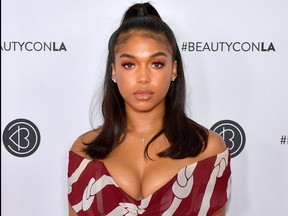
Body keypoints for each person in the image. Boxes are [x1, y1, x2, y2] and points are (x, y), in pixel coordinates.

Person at [67, 2, 231, 216]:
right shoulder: (84, 153)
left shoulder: (208, 151)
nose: (143, 78)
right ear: (114, 71)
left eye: (156, 64)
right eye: (129, 64)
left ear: (173, 69)